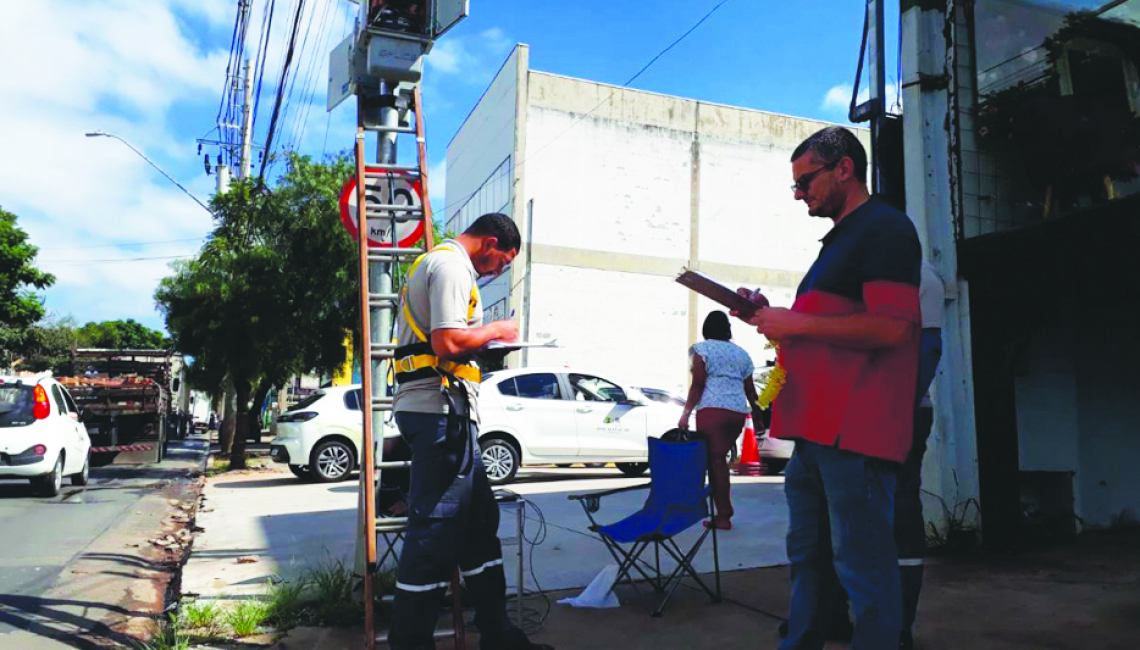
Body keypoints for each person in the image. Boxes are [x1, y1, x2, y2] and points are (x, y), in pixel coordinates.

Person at [740, 126, 921, 650]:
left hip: (856, 435)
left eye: (805, 181)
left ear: (844, 168)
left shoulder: (885, 229)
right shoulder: (839, 242)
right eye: (795, 185)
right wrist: (772, 314)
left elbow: (893, 327)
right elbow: (829, 326)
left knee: (862, 568)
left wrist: (794, 324)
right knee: (810, 561)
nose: (799, 194)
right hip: (817, 436)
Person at [389, 213, 552, 650]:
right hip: (437, 412)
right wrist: (497, 330)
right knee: (434, 529)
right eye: (503, 261)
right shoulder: (452, 267)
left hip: (450, 411)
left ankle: (497, 633)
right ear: (490, 242)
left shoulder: (447, 266)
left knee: (480, 521)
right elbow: (447, 342)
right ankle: (409, 641)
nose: (499, 271)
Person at [678, 311, 763, 530]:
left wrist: (685, 414)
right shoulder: (742, 354)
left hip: (712, 410)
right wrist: (758, 416)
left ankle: (723, 515)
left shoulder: (702, 350)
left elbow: (698, 384)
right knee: (719, 461)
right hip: (736, 412)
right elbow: (750, 390)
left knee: (715, 463)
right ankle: (721, 511)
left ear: (706, 328)